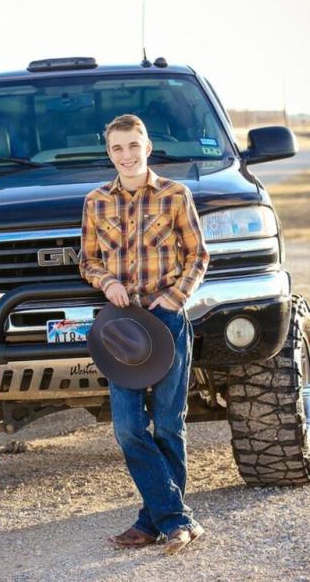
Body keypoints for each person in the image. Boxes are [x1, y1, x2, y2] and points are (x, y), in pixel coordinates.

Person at [79, 114, 210, 555]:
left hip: (167, 319)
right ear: (109, 153)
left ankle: (154, 522)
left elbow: (198, 255)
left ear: (148, 147)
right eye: (117, 148)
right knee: (130, 427)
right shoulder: (95, 202)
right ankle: (174, 519)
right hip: (124, 326)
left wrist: (177, 297)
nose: (126, 155)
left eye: (133, 145)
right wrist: (107, 283)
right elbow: (87, 260)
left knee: (169, 425)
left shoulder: (176, 195)